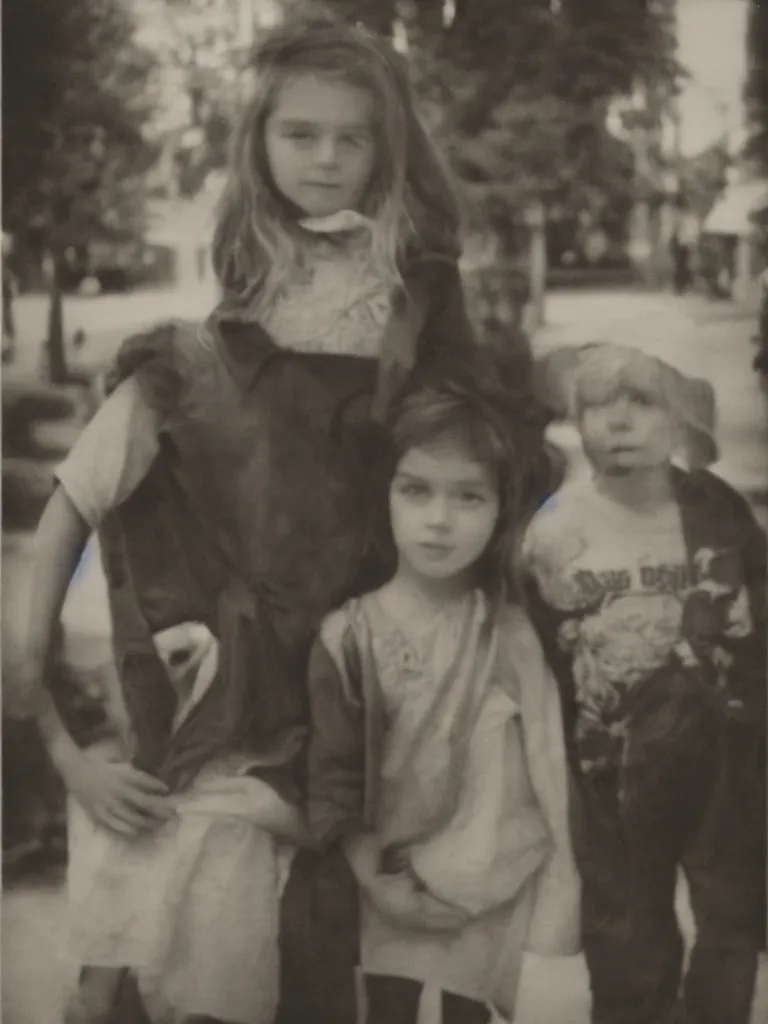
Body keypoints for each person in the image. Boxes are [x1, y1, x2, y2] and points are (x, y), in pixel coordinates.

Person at [21, 10, 485, 1023]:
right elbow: (69, 521)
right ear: (259, 144)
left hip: (382, 667)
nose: (324, 158)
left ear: (387, 147)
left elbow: (474, 475)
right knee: (200, 940)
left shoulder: (425, 305)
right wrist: (59, 741)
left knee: (379, 937)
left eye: (351, 136)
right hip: (237, 682)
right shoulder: (202, 349)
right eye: (299, 133)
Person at [301, 356, 580, 1024]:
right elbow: (332, 775)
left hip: (492, 876)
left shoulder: (507, 629)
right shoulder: (349, 636)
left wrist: (565, 881)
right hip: (389, 876)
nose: (439, 520)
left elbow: (546, 757)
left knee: (469, 1010)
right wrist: (377, 881)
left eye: (468, 497)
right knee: (389, 1007)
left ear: (501, 509)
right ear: (383, 497)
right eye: (416, 491)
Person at [524, 343, 767, 1024]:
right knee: (626, 926)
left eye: (641, 402)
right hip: (612, 764)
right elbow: (538, 643)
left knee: (731, 915)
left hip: (719, 756)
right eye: (599, 405)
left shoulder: (717, 512)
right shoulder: (557, 527)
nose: (619, 423)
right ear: (577, 420)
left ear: (680, 418)